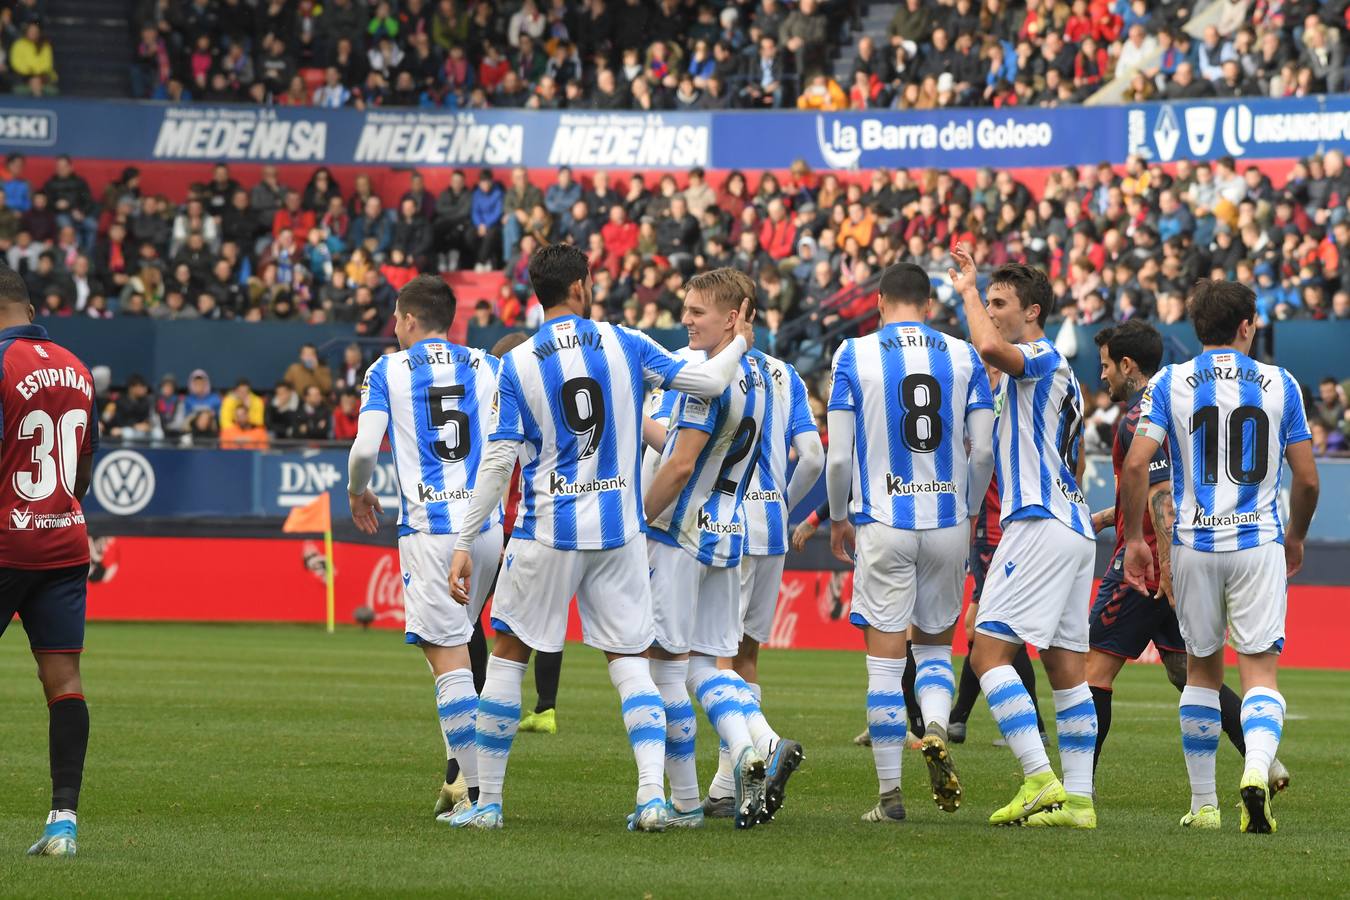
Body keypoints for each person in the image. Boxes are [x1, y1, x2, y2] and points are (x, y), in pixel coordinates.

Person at [444, 243, 754, 832]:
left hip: (546, 532)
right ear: (582, 286)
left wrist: (464, 541)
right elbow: (711, 381)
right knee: (631, 663)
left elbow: (497, 463)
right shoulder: (625, 342)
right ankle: (651, 797)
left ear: (537, 291)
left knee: (508, 655)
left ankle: (489, 804)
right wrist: (739, 334)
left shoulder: (517, 363)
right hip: (620, 533)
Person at [1122, 279, 1319, 833]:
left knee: (1202, 673)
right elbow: (1306, 478)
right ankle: (1256, 770)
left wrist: (1137, 540)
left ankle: (1204, 805)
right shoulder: (1281, 384)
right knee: (1258, 670)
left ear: (1196, 328)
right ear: (1248, 325)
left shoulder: (1169, 382)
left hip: (1193, 545)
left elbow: (1137, 466)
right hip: (1257, 543)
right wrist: (1296, 537)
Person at [1087, 321, 1288, 792]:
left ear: (1127, 364)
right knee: (1188, 672)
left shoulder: (1141, 416)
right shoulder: (1176, 402)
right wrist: (1105, 518)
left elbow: (1159, 492)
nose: (1103, 377)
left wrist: (1162, 564)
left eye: (1106, 366)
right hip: (1180, 557)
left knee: (1092, 668)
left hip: (1155, 567)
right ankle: (1264, 759)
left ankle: (1080, 784)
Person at [828, 262, 996, 823]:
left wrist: (836, 517)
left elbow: (838, 456)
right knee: (932, 652)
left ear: (879, 302)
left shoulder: (854, 355)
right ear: (929, 304)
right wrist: (969, 511)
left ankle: (890, 797)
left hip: (883, 521)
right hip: (947, 520)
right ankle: (936, 730)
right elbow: (985, 451)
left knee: (883, 664)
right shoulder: (964, 355)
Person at [347, 274, 507, 825]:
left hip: (433, 528)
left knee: (448, 660)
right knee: (459, 644)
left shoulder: (387, 369)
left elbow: (366, 446)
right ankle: (458, 779)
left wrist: (355, 490)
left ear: (410, 320)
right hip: (486, 528)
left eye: (395, 319)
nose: (394, 328)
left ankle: (477, 793)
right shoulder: (486, 365)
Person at [953, 246, 1100, 829]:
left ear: (1032, 312)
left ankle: (1040, 777)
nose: (990, 312)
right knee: (1066, 667)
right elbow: (1079, 463)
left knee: (988, 654)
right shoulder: (1058, 378)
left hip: (1037, 520)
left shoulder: (1041, 355)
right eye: (987, 301)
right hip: (1073, 525)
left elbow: (988, 346)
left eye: (999, 303)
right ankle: (1081, 803)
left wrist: (965, 288)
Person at [642, 268, 776, 830]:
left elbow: (679, 464)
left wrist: (635, 518)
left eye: (698, 312)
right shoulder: (761, 376)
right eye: (686, 308)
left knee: (667, 671)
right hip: (728, 533)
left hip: (678, 534)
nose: (686, 320)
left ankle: (688, 803)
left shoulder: (707, 376)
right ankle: (751, 747)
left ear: (733, 316)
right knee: (709, 668)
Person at [698, 341, 823, 819]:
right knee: (746, 656)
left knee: (714, 658)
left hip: (725, 523)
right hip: (771, 524)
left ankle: (766, 746)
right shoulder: (786, 372)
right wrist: (784, 509)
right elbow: (811, 456)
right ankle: (727, 787)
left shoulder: (713, 368)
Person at [0, 265, 97, 857]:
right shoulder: (78, 367)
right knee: (63, 682)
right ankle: (63, 822)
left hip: (5, 541)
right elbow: (83, 471)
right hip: (62, 542)